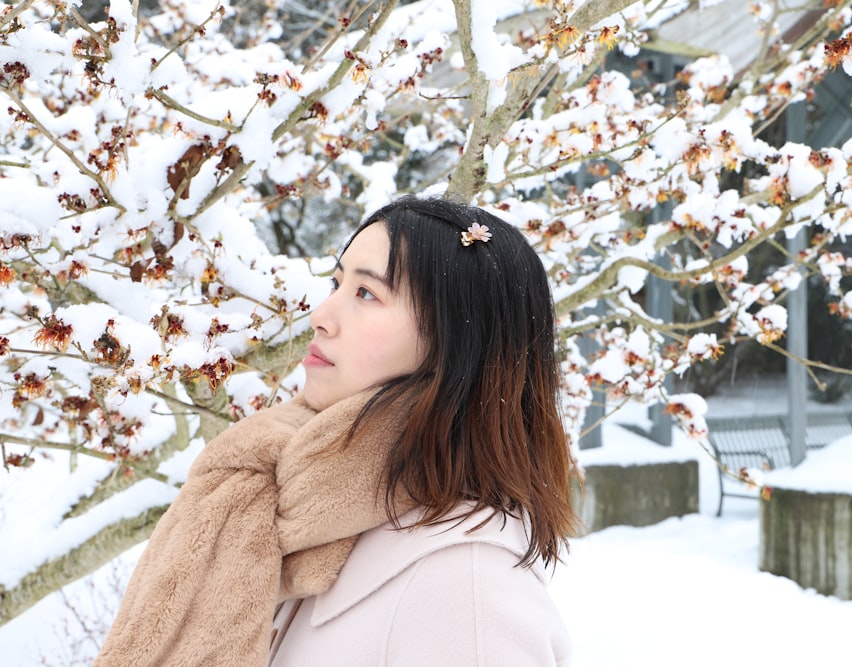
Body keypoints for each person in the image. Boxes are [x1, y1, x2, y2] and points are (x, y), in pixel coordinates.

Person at [95, 196, 576, 666]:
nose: (320, 316)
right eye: (337, 283)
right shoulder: (289, 521)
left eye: (367, 293)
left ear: (456, 343)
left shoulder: (464, 589)